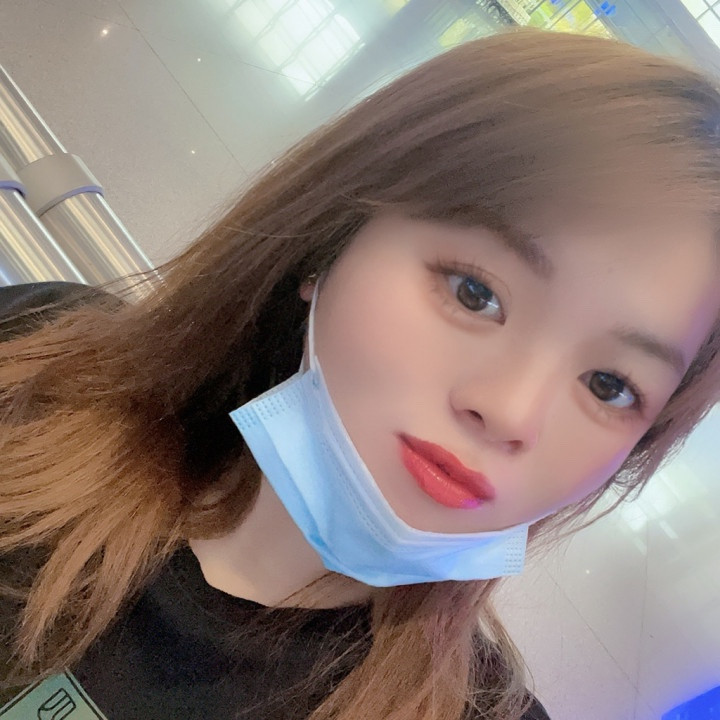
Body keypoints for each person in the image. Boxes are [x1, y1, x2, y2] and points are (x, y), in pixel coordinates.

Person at [1, 27, 719, 720]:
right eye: (475, 293)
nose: (510, 409)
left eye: (609, 386)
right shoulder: (34, 363)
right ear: (332, 239)